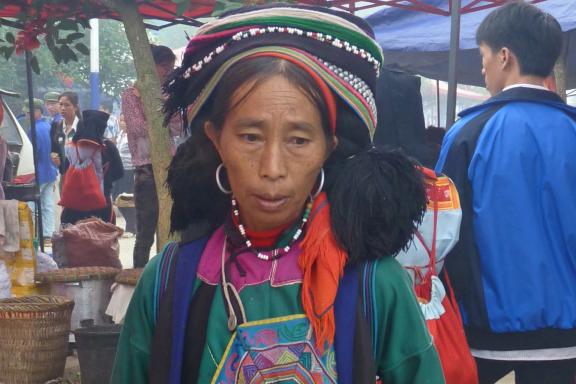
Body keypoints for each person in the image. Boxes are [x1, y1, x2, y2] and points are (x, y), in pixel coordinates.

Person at [112, 5, 444, 384]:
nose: (272, 167)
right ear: (216, 139)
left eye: (299, 140)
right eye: (250, 137)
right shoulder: (169, 281)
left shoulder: (375, 284)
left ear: (328, 148)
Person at [435, 2, 576, 383]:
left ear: (504, 56)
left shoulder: (467, 134)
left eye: (482, 57)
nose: (481, 69)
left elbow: (438, 236)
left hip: (491, 344)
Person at [121, 44, 181, 268]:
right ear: (150, 66)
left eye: (171, 67)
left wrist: (163, 118)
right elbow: (136, 128)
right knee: (145, 231)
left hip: (170, 167)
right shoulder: (130, 95)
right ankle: (139, 277)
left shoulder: (169, 94)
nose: (168, 71)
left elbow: (177, 127)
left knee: (171, 228)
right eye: (164, 66)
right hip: (146, 170)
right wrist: (161, 118)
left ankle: (167, 273)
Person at [60, 110, 123, 225]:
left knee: (73, 239)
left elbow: (64, 170)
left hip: (73, 205)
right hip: (102, 205)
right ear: (101, 127)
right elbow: (119, 172)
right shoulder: (108, 147)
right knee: (103, 239)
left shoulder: (71, 147)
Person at [24, 98, 58, 244]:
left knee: (30, 206)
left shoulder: (33, 129)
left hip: (38, 173)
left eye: (28, 112)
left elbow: (33, 153)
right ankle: (48, 234)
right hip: (51, 172)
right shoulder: (49, 125)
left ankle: (31, 235)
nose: (26, 115)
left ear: (37, 112)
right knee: (47, 205)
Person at [50, 91, 81, 174]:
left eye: (67, 105)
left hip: (80, 176)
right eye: (60, 104)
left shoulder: (83, 127)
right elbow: (54, 150)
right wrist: (54, 156)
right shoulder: (55, 127)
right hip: (63, 174)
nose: (63, 108)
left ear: (75, 107)